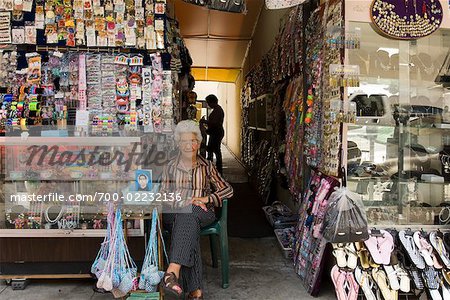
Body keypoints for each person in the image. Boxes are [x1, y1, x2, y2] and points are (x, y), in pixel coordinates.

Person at [160, 120, 233, 300]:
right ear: (178, 144)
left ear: (199, 143)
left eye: (193, 141)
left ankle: (173, 271)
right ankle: (195, 292)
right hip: (176, 213)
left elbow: (228, 190)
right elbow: (162, 195)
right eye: (184, 141)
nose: (189, 145)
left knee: (190, 214)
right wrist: (186, 201)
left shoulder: (207, 166)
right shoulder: (169, 166)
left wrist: (207, 198)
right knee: (188, 217)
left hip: (203, 212)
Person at [203, 94, 225, 174]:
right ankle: (214, 168)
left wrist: (205, 122)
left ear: (212, 102)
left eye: (208, 103)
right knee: (213, 150)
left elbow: (214, 123)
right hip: (216, 132)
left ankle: (214, 169)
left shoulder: (217, 110)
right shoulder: (217, 109)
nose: (208, 104)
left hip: (216, 132)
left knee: (213, 150)